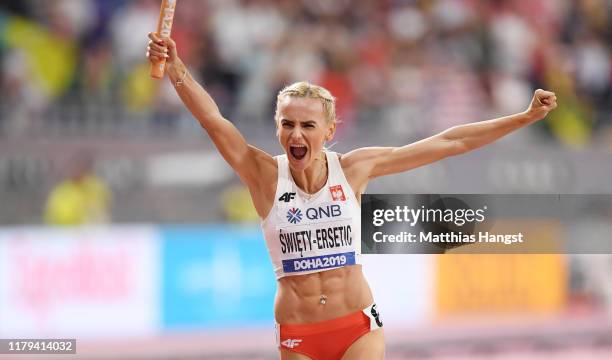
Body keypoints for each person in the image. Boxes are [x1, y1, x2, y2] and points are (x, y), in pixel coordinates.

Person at [146, 32, 557, 360]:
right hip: (298, 334)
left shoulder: (355, 168)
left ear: (328, 132)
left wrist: (524, 117)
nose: (296, 134)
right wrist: (176, 67)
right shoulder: (264, 175)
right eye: (287, 124)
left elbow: (451, 141)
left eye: (308, 125)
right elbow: (213, 120)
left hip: (357, 327)